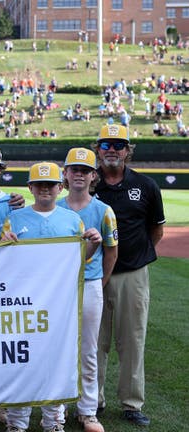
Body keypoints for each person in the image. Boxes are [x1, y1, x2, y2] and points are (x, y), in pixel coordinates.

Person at [2, 162, 102, 432]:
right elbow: (1, 260)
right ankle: (17, 422)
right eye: (39, 185)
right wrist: (2, 242)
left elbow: (80, 259)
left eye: (51, 185)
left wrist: (92, 243)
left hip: (59, 302)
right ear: (30, 188)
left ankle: (54, 421)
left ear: (61, 187)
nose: (45, 189)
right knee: (21, 360)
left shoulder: (72, 220)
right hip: (23, 301)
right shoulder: (15, 218)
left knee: (57, 361)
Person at [93, 125, 165, 427]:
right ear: (98, 148)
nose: (112, 149)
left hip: (132, 273)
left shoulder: (146, 185)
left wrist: (133, 255)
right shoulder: (86, 182)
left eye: (119, 145)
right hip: (93, 273)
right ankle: (91, 401)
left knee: (132, 340)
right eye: (107, 144)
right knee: (94, 342)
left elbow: (156, 231)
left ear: (128, 150)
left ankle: (131, 403)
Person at [58, 147, 118, 432]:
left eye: (85, 170)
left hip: (91, 283)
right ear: (65, 174)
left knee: (88, 349)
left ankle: (87, 410)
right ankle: (58, 405)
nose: (79, 174)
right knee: (58, 346)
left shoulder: (104, 210)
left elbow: (111, 252)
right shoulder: (54, 208)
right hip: (57, 287)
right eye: (74, 170)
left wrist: (100, 282)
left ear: (94, 176)